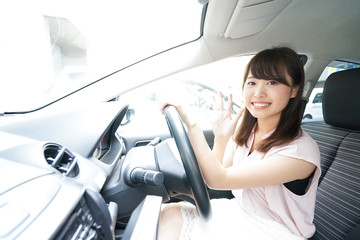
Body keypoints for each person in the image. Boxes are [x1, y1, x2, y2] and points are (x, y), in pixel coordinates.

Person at [159, 46, 321, 240]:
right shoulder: (250, 132)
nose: (258, 93)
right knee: (167, 213)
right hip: (240, 214)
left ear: (294, 90)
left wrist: (192, 125)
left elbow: (219, 179)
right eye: (252, 82)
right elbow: (217, 173)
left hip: (275, 232)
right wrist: (220, 137)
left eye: (272, 82)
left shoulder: (301, 150)